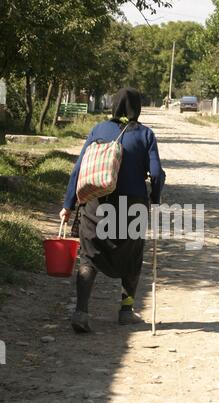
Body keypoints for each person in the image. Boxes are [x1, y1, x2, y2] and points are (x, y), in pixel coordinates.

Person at [60, 87, 165, 333]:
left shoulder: (99, 130)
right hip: (132, 206)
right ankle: (126, 311)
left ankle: (81, 312)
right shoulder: (146, 134)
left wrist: (68, 205)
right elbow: (157, 173)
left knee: (89, 256)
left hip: (97, 203)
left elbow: (78, 170)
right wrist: (156, 198)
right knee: (132, 257)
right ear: (137, 107)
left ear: (114, 106)